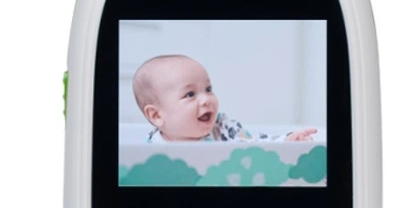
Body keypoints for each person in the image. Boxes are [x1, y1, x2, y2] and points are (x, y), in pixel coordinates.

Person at [131, 54, 317, 142]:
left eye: (208, 89)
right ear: (157, 116)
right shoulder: (149, 150)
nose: (206, 99)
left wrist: (287, 141)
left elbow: (255, 146)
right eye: (190, 94)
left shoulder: (222, 129)